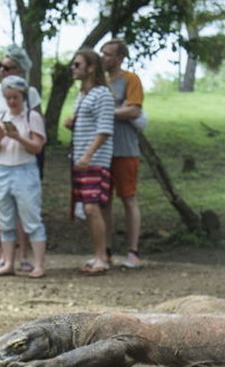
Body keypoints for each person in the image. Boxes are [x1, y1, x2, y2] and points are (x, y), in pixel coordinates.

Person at [0, 45, 43, 274]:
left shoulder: (31, 106)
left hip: (25, 165)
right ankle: (6, 259)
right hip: (2, 166)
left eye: (9, 66)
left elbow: (37, 136)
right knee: (5, 214)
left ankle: (29, 258)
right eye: (1, 66)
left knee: (28, 213)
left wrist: (19, 137)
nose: (3, 69)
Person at [64, 48, 115, 275]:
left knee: (92, 207)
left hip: (94, 160)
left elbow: (104, 129)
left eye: (77, 64)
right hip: (80, 160)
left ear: (91, 67)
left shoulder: (103, 93)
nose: (73, 69)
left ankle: (101, 257)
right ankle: (97, 254)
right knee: (87, 207)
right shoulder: (83, 95)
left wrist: (87, 155)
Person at [100, 38, 145, 270]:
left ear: (119, 58)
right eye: (102, 53)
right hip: (102, 150)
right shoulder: (99, 82)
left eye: (108, 54)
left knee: (128, 198)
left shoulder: (131, 80)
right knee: (103, 201)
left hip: (125, 148)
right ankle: (105, 251)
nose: (103, 58)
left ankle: (133, 251)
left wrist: (108, 112)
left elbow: (134, 110)